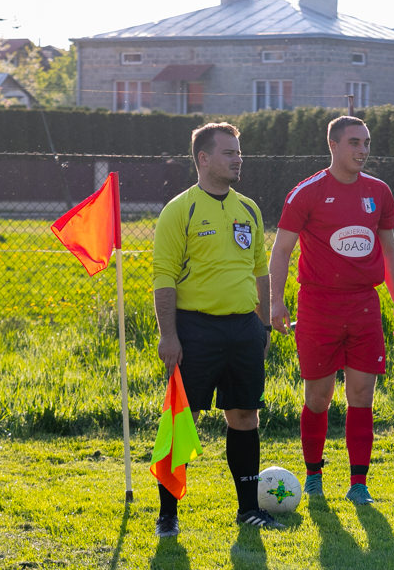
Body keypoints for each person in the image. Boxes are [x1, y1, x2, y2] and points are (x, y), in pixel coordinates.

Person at [268, 116, 394, 505]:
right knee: (319, 396)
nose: (363, 150)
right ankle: (313, 474)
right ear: (333, 145)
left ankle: (359, 483)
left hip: (364, 304)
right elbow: (281, 251)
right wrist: (277, 300)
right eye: (354, 143)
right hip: (318, 305)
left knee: (362, 393)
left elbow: (389, 248)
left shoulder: (379, 192)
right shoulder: (307, 192)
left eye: (366, 143)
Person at [151, 122, 283, 537]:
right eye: (229, 152)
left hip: (243, 329)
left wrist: (261, 325)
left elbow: (260, 269)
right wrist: (168, 335)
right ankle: (168, 514)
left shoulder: (249, 209)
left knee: (245, 415)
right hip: (195, 331)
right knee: (181, 419)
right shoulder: (180, 209)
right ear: (203, 159)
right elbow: (163, 276)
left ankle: (249, 510)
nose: (238, 158)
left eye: (239, 152)